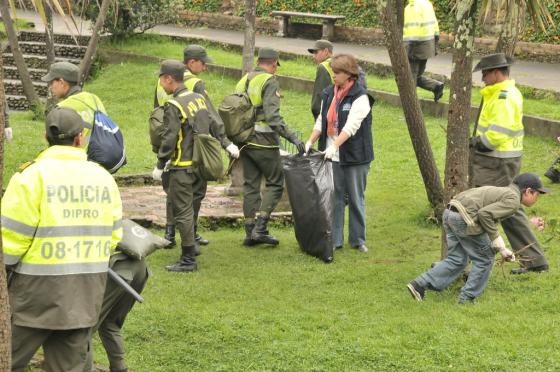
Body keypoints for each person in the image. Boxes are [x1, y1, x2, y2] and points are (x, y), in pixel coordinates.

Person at [3, 107, 122, 371]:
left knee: (8, 361)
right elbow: (114, 238)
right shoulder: (104, 179)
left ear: (46, 137)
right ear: (80, 138)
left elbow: (10, 240)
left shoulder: (30, 176)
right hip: (83, 296)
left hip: (32, 296)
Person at [407, 173, 549, 304]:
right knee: (485, 259)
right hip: (464, 218)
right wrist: (499, 244)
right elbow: (484, 215)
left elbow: (486, 218)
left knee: (457, 259)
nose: (537, 198)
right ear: (528, 191)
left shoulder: (504, 191)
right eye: (537, 194)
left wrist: (500, 247)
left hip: (450, 212)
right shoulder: (513, 201)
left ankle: (419, 285)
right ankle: (467, 299)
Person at [470, 53, 549, 275]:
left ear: (496, 73)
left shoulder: (504, 96)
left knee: (498, 208)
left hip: (497, 161)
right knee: (507, 209)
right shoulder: (499, 93)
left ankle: (530, 261)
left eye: (485, 74)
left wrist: (479, 143)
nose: (482, 78)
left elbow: (497, 134)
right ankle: (533, 261)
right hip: (498, 161)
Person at [154, 45, 240, 248]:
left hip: (169, 145)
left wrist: (161, 156)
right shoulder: (195, 85)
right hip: (191, 151)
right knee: (192, 196)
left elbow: (156, 113)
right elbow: (211, 116)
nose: (205, 67)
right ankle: (189, 237)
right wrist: (225, 142)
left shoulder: (162, 81)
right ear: (191, 62)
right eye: (203, 63)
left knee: (172, 191)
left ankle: (170, 232)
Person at [235, 47, 305, 246]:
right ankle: (261, 228)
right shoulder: (269, 80)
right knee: (275, 182)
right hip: (264, 142)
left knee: (250, 184)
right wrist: (293, 138)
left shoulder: (244, 79)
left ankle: (249, 233)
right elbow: (273, 117)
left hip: (244, 141)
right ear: (274, 63)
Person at [305, 53, 374, 253]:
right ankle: (335, 240)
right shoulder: (329, 93)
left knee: (355, 197)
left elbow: (351, 126)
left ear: (349, 75)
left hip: (355, 156)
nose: (333, 76)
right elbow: (322, 120)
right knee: (335, 197)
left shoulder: (361, 97)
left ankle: (358, 240)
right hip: (332, 156)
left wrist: (335, 145)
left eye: (337, 73)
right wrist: (311, 140)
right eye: (333, 72)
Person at [152, 59, 215, 272]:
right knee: (191, 209)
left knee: (183, 212)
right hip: (199, 164)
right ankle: (192, 247)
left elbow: (170, 138)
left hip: (182, 166)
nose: (160, 83)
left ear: (169, 79)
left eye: (161, 78)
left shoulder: (173, 104)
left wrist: (160, 164)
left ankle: (188, 258)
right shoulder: (198, 98)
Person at [84, 253, 148, 372]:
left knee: (81, 330)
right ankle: (119, 367)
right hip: (139, 266)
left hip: (116, 269)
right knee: (110, 321)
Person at [42, 61, 106, 146]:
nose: (50, 87)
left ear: (61, 82)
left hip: (81, 156)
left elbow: (57, 145)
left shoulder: (61, 110)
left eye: (51, 82)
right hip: (106, 152)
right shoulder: (94, 98)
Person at [403, 0, 444, 102]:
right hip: (427, 46)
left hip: (416, 48)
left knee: (409, 79)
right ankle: (436, 86)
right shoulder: (427, 3)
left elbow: (413, 32)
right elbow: (435, 25)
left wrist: (408, 50)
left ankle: (411, 106)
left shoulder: (411, 7)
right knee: (416, 76)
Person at [308, 39, 335, 121]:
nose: (313, 56)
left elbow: (320, 93)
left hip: (325, 113)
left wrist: (315, 111)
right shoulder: (337, 63)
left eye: (316, 52)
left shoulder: (323, 67)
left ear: (326, 51)